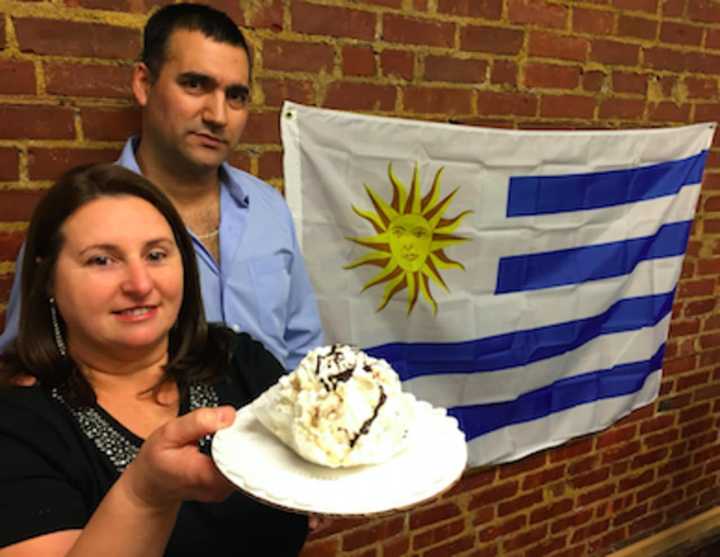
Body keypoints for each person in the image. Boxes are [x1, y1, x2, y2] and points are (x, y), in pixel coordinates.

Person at [0, 164, 309, 556]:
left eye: (156, 254)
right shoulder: (17, 425)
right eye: (101, 260)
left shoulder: (238, 359)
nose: (140, 284)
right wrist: (144, 495)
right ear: (47, 279)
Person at [0, 3, 323, 371]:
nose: (218, 116)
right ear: (144, 84)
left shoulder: (268, 208)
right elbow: (26, 366)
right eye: (195, 84)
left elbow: (304, 349)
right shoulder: (80, 218)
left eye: (236, 95)